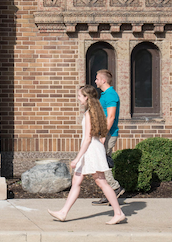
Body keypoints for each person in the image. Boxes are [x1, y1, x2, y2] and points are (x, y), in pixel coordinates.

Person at [48, 85, 126, 225]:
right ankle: (63, 212)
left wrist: (77, 158)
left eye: (80, 96)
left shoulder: (89, 113)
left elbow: (88, 138)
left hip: (91, 150)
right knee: (77, 181)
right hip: (92, 149)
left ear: (86, 97)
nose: (78, 99)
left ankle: (118, 213)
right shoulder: (95, 112)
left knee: (101, 181)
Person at [93, 69, 125, 204]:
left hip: (108, 134)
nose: (95, 81)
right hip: (104, 133)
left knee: (103, 162)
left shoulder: (111, 95)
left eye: (97, 79)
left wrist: (103, 134)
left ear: (103, 80)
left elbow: (111, 117)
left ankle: (115, 187)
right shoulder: (105, 95)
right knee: (101, 163)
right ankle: (109, 193)